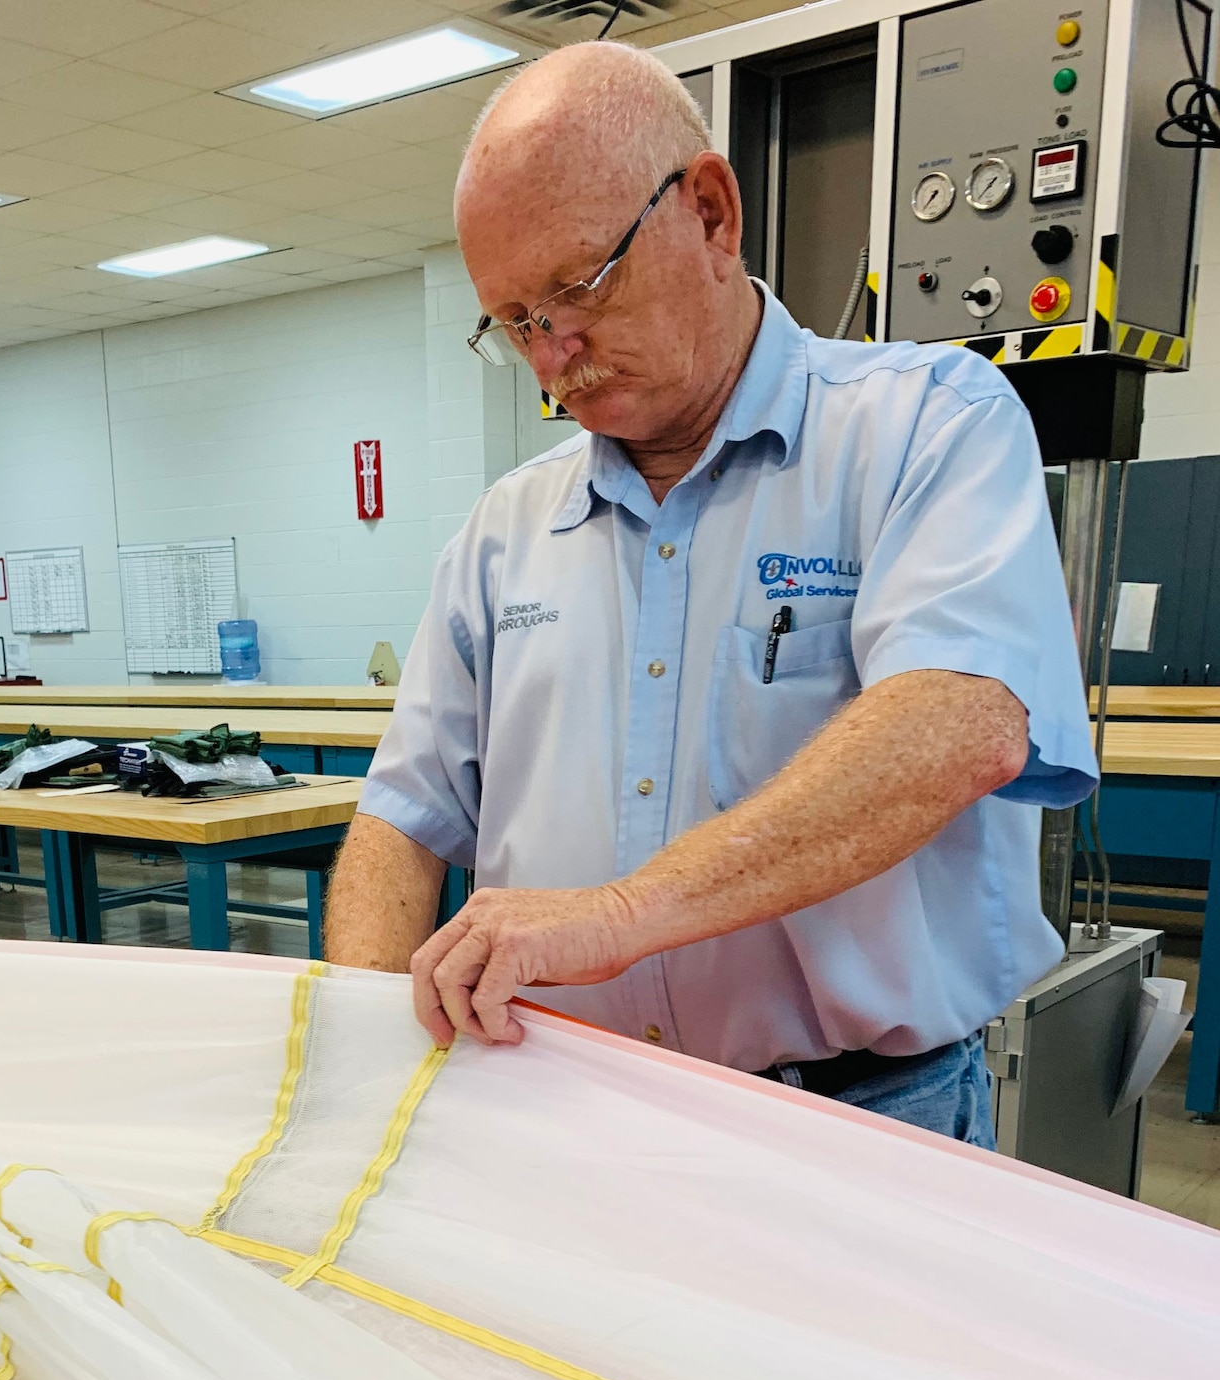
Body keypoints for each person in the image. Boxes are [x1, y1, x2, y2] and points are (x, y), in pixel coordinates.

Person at [324, 41, 1097, 1145]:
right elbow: (402, 819)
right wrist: (356, 1060)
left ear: (710, 212)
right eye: (514, 323)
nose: (556, 355)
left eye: (576, 290)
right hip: (557, 1107)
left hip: (853, 1125)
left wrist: (619, 917)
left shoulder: (925, 426)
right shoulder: (504, 533)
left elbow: (955, 720)